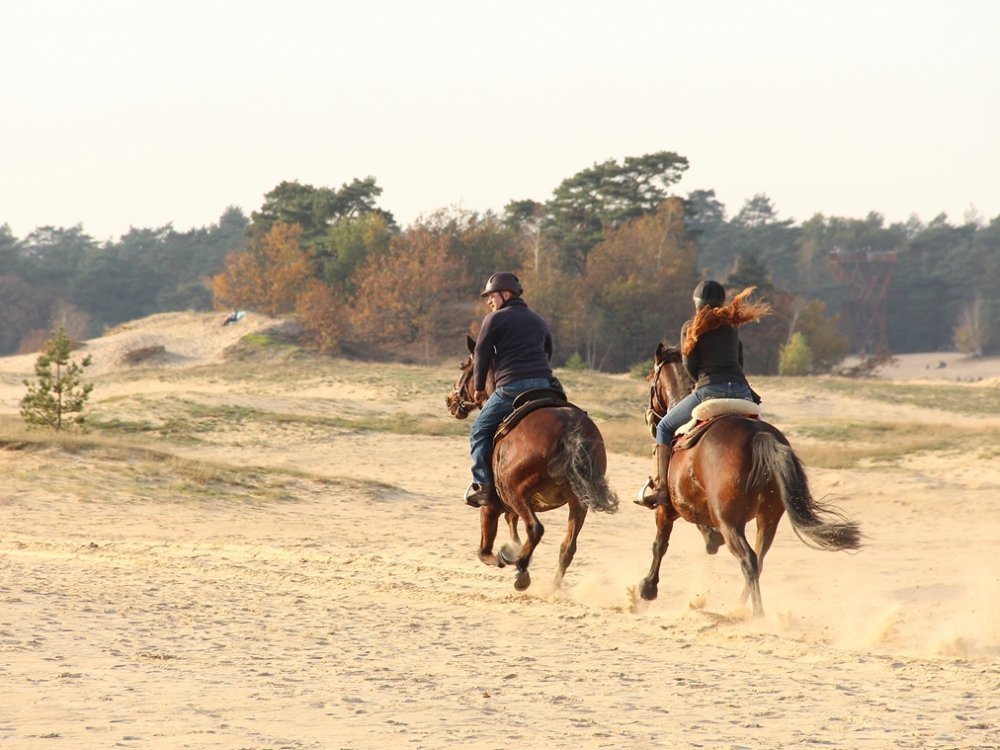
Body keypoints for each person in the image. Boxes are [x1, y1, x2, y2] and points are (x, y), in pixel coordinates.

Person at [638, 280, 770, 508]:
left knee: (664, 427)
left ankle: (661, 490)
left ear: (697, 304)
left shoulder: (691, 327)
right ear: (721, 302)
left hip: (709, 390)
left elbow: (689, 364)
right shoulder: (732, 327)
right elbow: (739, 361)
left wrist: (698, 382)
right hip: (741, 391)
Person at [465, 271, 560, 508]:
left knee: (478, 431)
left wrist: (479, 387)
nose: (489, 301)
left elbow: (481, 353)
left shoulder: (494, 319)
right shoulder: (538, 320)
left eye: (491, 296)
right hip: (545, 385)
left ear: (505, 295)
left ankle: (482, 486)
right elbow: (548, 350)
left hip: (511, 388)